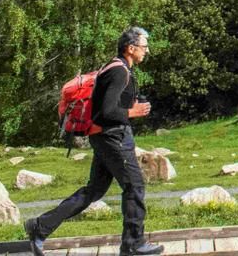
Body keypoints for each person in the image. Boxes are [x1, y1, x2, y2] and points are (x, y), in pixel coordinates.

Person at [26, 27, 162, 256]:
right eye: (144, 47)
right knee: (135, 186)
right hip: (113, 138)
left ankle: (39, 227)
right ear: (131, 48)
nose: (146, 51)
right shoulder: (119, 72)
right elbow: (106, 111)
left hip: (103, 137)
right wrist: (132, 112)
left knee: (94, 191)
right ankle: (133, 244)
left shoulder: (113, 67)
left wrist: (130, 106)